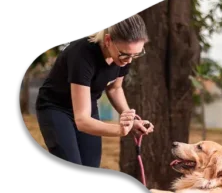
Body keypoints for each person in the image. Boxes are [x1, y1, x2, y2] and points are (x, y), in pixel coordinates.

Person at [35, 13, 154, 168]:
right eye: (125, 54)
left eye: (136, 55)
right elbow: (82, 121)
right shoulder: (82, 54)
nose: (129, 60)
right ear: (108, 40)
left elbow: (115, 88)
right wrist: (119, 130)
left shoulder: (124, 55)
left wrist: (131, 120)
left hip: (88, 105)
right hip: (56, 107)